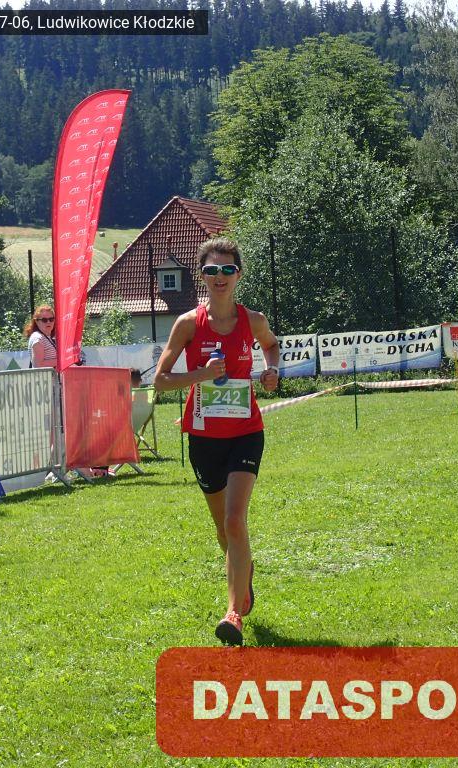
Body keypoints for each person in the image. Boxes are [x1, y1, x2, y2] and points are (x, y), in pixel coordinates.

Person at [154, 238, 280, 646]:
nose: (220, 277)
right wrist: (201, 376)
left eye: (227, 270)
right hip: (204, 439)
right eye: (211, 270)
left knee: (234, 520)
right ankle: (244, 575)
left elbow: (272, 346)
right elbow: (160, 380)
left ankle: (233, 614)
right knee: (224, 533)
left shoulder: (253, 320)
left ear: (238, 275)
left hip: (245, 433)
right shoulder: (188, 324)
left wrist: (272, 370)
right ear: (202, 277)